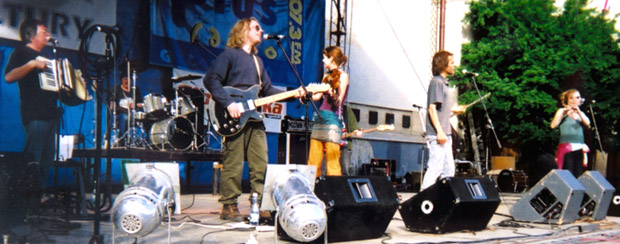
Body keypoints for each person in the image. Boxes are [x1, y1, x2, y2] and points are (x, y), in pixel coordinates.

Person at [203, 17, 302, 222]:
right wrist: (229, 103)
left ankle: (262, 205)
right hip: (234, 116)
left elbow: (268, 91)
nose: (261, 31)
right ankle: (229, 205)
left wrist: (295, 93)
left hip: (255, 119)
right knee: (234, 162)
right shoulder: (230, 55)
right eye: (257, 28)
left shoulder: (258, 62)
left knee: (260, 162)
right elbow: (210, 79)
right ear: (244, 31)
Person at [4, 19, 59, 191]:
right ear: (31, 35)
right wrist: (32, 64)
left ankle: (38, 196)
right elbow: (9, 77)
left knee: (47, 158)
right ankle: (26, 199)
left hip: (51, 114)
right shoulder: (21, 53)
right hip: (35, 114)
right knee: (33, 157)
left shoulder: (47, 56)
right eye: (44, 32)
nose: (48, 35)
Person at [420, 50, 466, 190]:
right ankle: (423, 198)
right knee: (435, 167)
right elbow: (431, 109)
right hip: (438, 134)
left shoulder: (444, 83)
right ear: (443, 64)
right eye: (451, 63)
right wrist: (439, 131)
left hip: (446, 134)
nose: (454, 65)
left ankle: (442, 199)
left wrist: (453, 110)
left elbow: (441, 108)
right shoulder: (437, 82)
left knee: (448, 170)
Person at [307, 46, 352, 178]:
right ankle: (313, 188)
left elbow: (339, 101)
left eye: (325, 57)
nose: (322, 60)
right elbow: (317, 97)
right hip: (320, 117)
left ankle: (335, 191)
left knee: (332, 160)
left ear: (331, 58)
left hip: (332, 119)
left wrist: (331, 93)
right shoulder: (326, 77)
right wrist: (307, 94)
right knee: (313, 159)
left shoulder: (343, 76)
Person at [550, 89, 590, 177]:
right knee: (568, 172)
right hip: (567, 147)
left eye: (578, 97)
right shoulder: (561, 111)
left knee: (578, 174)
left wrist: (578, 111)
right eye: (576, 97)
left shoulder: (581, 113)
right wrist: (563, 114)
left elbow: (588, 123)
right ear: (569, 99)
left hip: (579, 147)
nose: (578, 99)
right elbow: (553, 125)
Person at [112, 71, 143, 146]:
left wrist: (135, 105)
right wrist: (124, 109)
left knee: (144, 117)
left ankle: (141, 140)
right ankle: (124, 140)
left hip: (133, 113)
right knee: (125, 118)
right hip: (121, 113)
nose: (127, 81)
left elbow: (140, 103)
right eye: (125, 79)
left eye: (129, 79)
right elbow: (112, 106)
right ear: (121, 80)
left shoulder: (135, 89)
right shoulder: (116, 89)